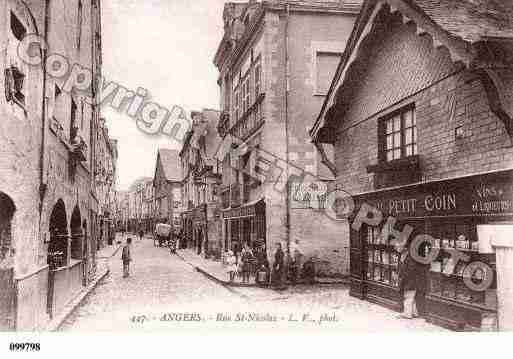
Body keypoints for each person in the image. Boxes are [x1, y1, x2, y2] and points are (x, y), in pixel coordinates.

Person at [396, 238, 427, 319]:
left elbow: (410, 270)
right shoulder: (404, 255)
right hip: (408, 280)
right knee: (411, 297)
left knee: (408, 297)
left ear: (404, 247)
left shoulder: (410, 257)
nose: (396, 248)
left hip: (410, 280)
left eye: (398, 247)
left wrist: (402, 277)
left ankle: (407, 314)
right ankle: (414, 313)